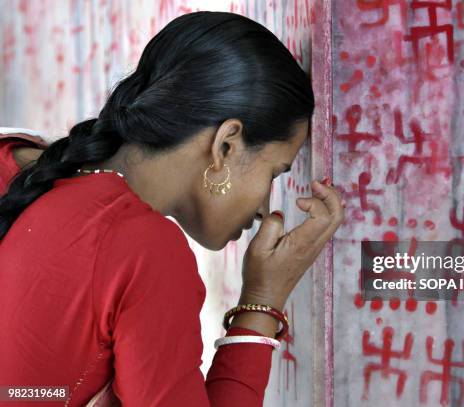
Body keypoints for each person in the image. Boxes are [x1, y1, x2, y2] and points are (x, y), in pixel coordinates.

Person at [0, 11, 344, 407]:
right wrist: (262, 301)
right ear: (225, 146)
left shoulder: (21, 167)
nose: (266, 210)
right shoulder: (142, 246)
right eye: (274, 173)